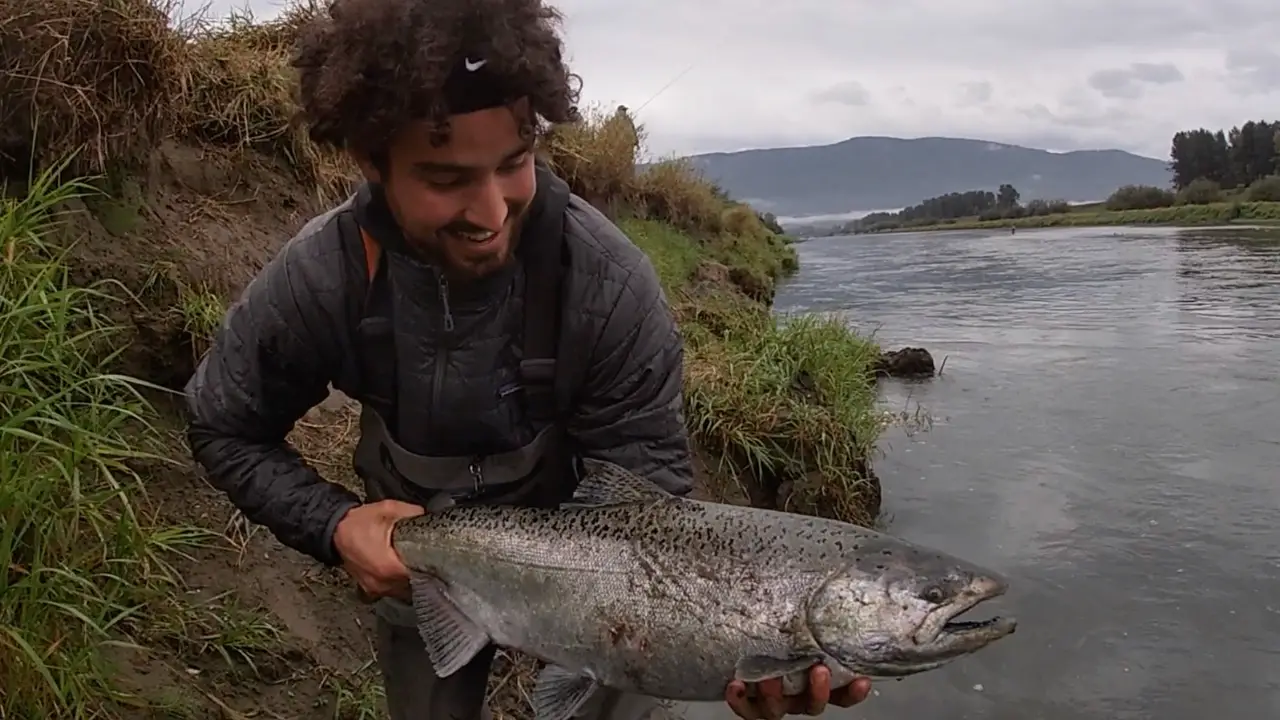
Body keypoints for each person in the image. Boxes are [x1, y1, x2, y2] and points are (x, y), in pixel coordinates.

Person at [181, 0, 873, 718]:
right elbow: (222, 423)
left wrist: (731, 651)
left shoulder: (606, 283)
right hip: (428, 572)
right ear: (371, 161)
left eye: (514, 164)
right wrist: (333, 525)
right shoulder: (326, 276)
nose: (489, 213)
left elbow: (653, 505)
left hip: (609, 582)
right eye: (447, 180)